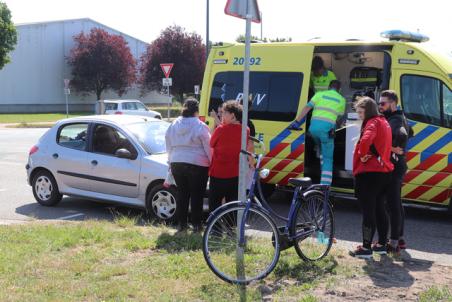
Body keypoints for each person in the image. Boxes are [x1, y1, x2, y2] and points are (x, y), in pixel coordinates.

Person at [350, 97, 394, 259]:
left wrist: (362, 154)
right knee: (380, 209)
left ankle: (366, 248)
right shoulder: (384, 122)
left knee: (368, 211)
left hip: (369, 173)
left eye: (361, 112)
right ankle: (382, 245)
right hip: (384, 172)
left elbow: (367, 139)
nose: (360, 116)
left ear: (368, 110)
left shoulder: (373, 122)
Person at [165, 98, 211, 232]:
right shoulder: (200, 126)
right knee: (197, 195)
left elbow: (168, 143)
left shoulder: (173, 124)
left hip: (176, 162)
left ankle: (182, 225)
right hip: (197, 164)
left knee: (182, 194)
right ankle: (196, 225)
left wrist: (170, 160)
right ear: (197, 111)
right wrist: (211, 162)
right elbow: (208, 147)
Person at [289, 80, 346, 185]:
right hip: (327, 131)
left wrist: (297, 122)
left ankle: (318, 149)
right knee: (328, 159)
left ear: (329, 87)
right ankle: (325, 186)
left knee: (319, 144)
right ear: (340, 89)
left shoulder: (319, 94)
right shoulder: (341, 100)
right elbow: (339, 116)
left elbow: (307, 107)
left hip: (313, 129)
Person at [378, 90, 410, 254]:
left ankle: (394, 243)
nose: (380, 106)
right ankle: (400, 238)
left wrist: (394, 148)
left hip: (394, 167)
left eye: (383, 103)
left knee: (391, 204)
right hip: (398, 166)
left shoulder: (395, 119)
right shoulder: (399, 117)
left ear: (393, 103)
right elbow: (411, 131)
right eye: (379, 103)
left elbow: (403, 134)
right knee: (395, 202)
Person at [209, 100, 249, 211]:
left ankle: (215, 228)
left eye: (224, 113)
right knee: (232, 204)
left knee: (215, 204)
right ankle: (231, 227)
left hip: (218, 173)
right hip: (235, 173)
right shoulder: (246, 130)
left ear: (232, 115)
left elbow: (211, 143)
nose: (221, 115)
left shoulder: (221, 129)